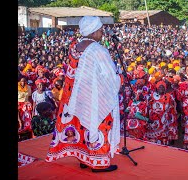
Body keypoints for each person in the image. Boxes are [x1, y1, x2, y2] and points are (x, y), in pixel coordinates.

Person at [45, 16, 121, 172]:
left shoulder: (74, 47)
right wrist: (118, 77)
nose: (102, 33)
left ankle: (84, 159)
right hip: (95, 98)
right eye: (100, 30)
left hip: (76, 98)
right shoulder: (98, 50)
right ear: (93, 32)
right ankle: (98, 163)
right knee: (98, 125)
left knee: (81, 126)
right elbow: (108, 77)